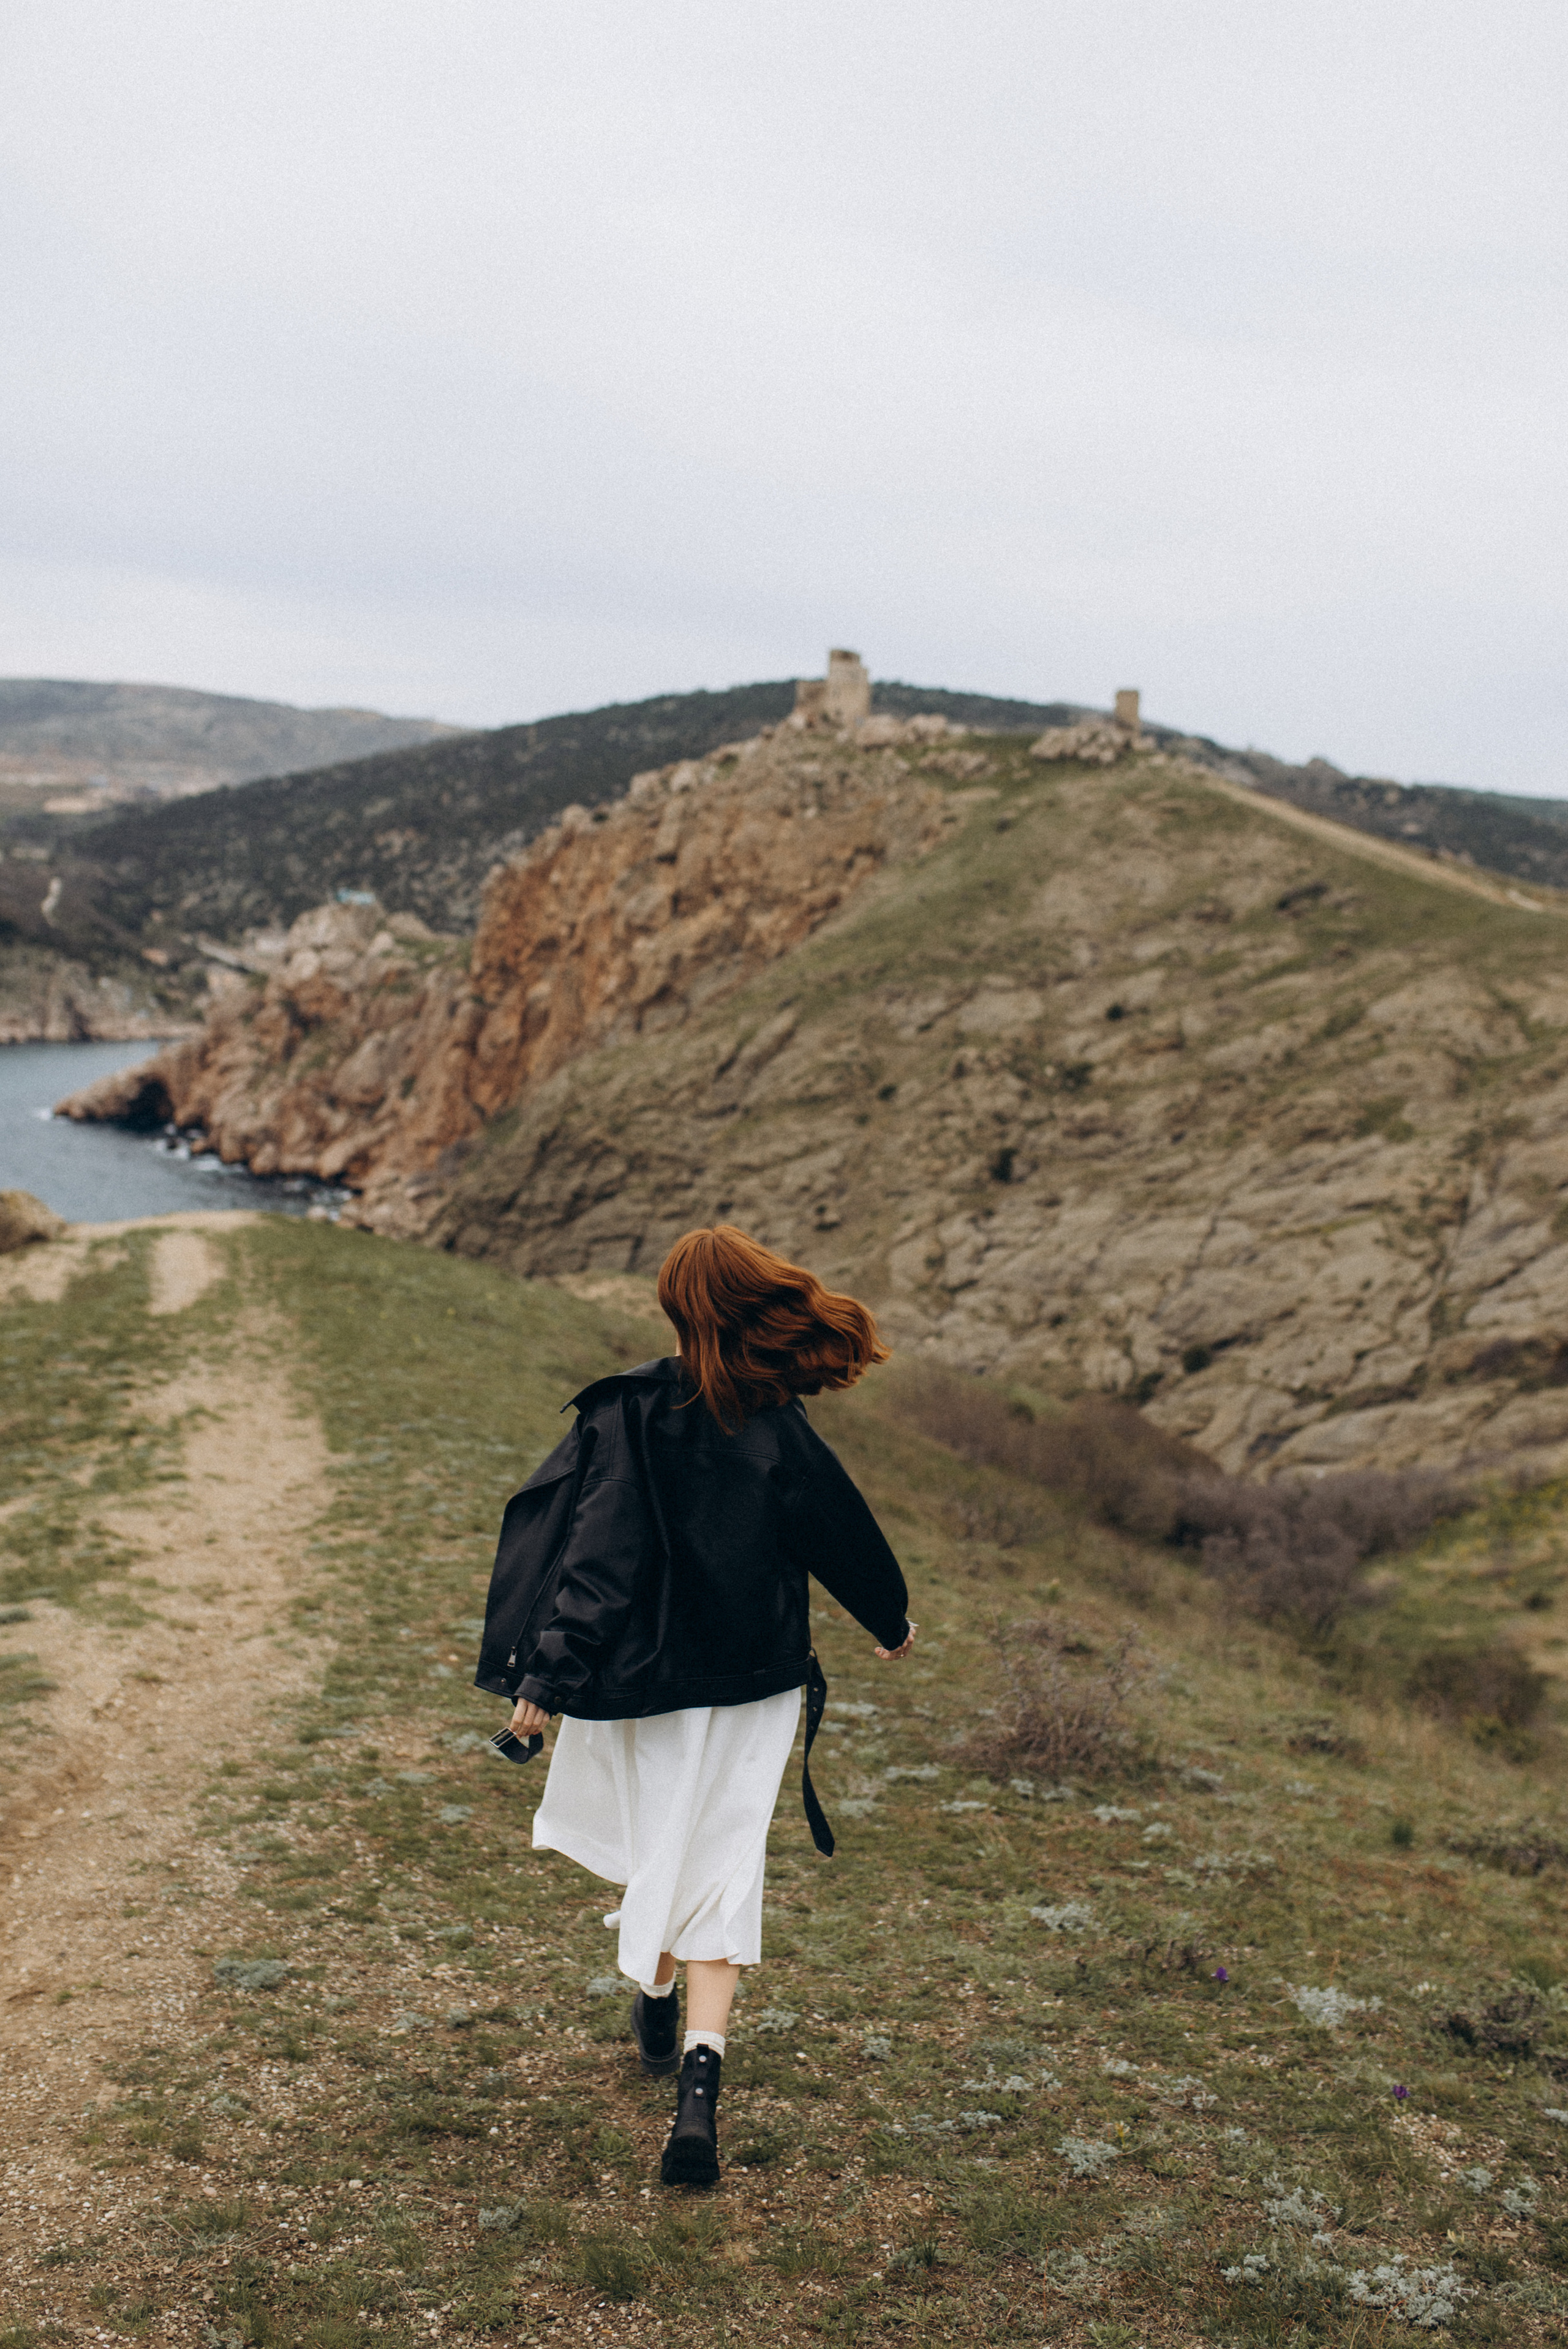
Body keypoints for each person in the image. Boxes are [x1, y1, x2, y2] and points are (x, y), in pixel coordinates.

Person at [473, 1224, 914, 2189]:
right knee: (721, 1862)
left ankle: (660, 1995)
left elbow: (597, 1559)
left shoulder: (629, 1410)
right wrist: (890, 1619)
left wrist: (544, 1680)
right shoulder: (774, 1420)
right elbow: (840, 1527)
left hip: (642, 1685)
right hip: (753, 1683)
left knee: (670, 1844)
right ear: (751, 1304)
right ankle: (695, 2085)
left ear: (677, 1306)